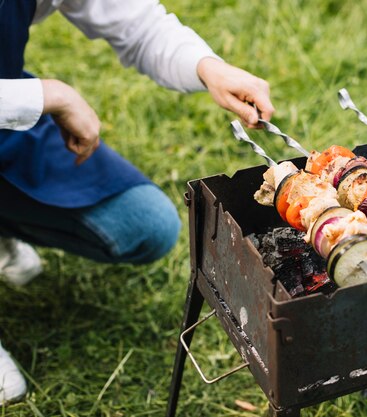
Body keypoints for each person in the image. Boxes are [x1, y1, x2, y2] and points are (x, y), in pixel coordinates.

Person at [0, 0, 274, 405]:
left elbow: (135, 23)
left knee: (144, 224)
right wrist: (49, 95)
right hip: (20, 100)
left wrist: (208, 68)